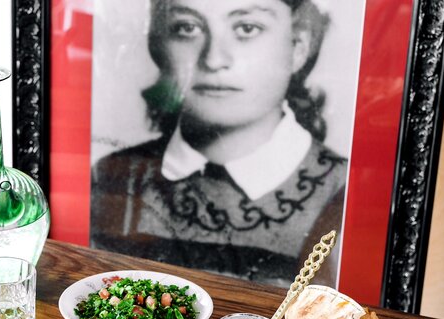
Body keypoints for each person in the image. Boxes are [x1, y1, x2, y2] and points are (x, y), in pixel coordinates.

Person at [90, 0, 345, 287]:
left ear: (298, 46)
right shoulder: (111, 176)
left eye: (247, 28)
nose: (213, 59)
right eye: (187, 28)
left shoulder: (343, 193)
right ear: (159, 44)